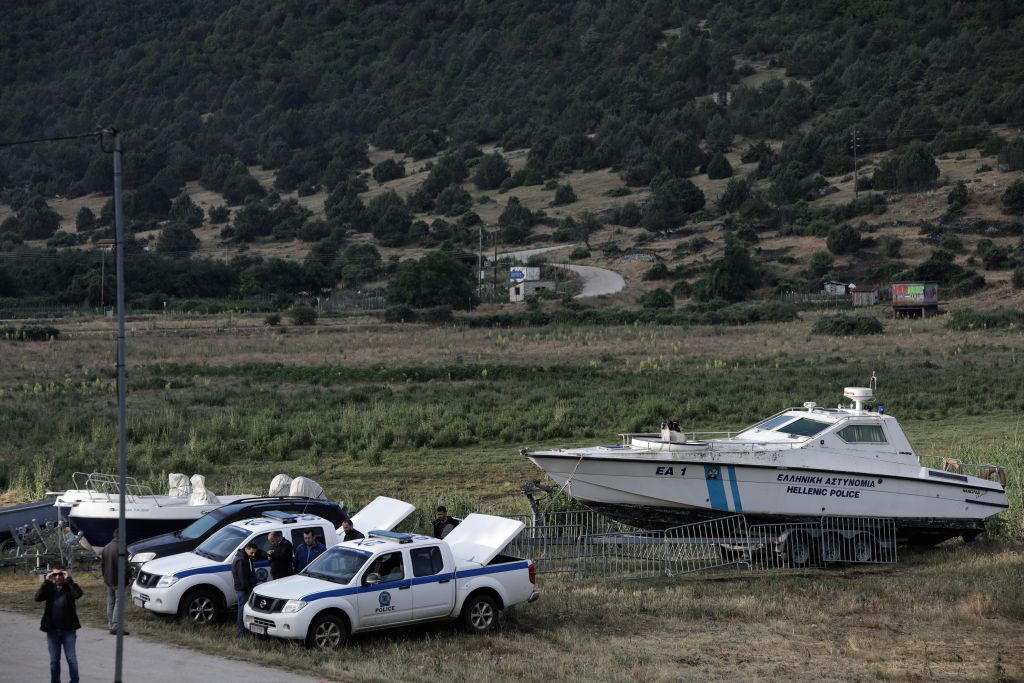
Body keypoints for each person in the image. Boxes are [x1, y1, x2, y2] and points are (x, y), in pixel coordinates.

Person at [35, 566, 82, 683]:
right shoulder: (49, 588)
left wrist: (69, 579)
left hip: (68, 630)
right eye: (55, 575)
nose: (57, 577)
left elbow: (78, 594)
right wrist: (46, 581)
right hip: (52, 630)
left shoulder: (70, 587)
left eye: (60, 574)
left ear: (64, 574)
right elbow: (37, 598)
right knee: (54, 660)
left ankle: (74, 681)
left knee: (71, 659)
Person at [100, 528, 130, 635]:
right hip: (119, 580)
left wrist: (105, 577)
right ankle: (116, 626)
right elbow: (125, 565)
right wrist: (129, 577)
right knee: (119, 603)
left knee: (111, 602)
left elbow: (102, 565)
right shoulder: (121, 547)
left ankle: (111, 625)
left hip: (108, 579)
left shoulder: (106, 547)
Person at [231, 541, 258, 635]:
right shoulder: (241, 560)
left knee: (243, 608)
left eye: (255, 552)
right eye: (252, 552)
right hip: (243, 589)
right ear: (246, 549)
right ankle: (241, 631)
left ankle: (243, 629)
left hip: (246, 588)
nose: (253, 555)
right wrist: (248, 589)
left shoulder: (246, 557)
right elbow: (242, 578)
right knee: (242, 609)